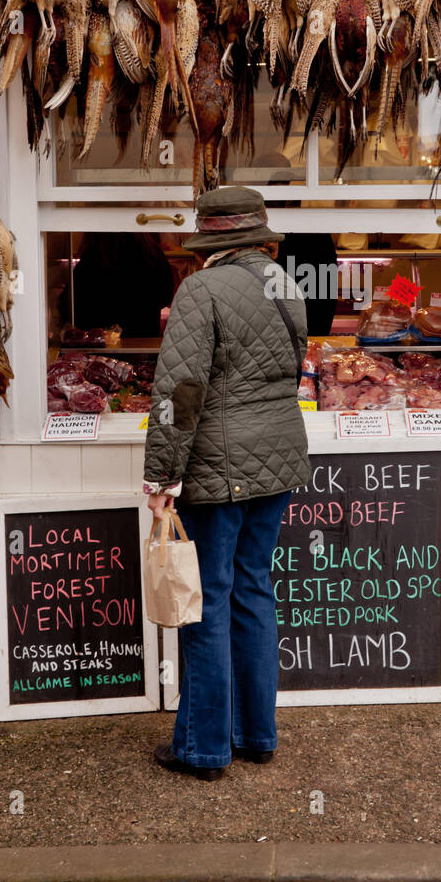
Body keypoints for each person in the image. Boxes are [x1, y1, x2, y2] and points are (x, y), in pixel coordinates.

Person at [143, 187, 310, 782]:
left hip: (218, 466)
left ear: (211, 241)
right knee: (253, 590)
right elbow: (287, 372)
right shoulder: (286, 285)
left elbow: (179, 392)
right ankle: (256, 735)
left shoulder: (202, 289)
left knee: (206, 601)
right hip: (280, 459)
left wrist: (162, 474)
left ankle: (204, 749)